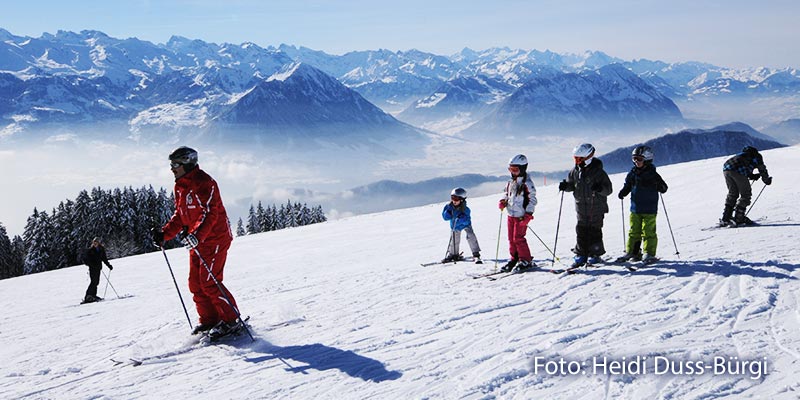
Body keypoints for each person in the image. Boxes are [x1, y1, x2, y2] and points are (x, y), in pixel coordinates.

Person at [151, 146, 242, 339]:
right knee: (195, 284)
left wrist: (197, 235)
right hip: (197, 240)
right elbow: (180, 216)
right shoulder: (180, 186)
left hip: (215, 239)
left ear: (187, 163)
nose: (172, 168)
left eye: (175, 164)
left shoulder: (204, 182)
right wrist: (164, 234)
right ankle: (210, 320)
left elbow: (210, 212)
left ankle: (231, 320)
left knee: (209, 282)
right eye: (171, 164)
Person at [558, 143, 613, 268]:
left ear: (588, 157)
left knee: (594, 230)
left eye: (580, 159)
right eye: (575, 158)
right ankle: (581, 253)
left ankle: (595, 254)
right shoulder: (574, 171)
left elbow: (608, 190)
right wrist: (565, 186)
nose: (577, 161)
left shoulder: (598, 172)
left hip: (597, 207)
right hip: (581, 207)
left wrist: (599, 188)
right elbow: (572, 185)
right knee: (581, 230)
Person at [616, 146, 668, 264]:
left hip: (649, 209)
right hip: (635, 208)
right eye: (634, 159)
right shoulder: (633, 173)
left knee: (648, 232)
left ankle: (649, 253)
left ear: (647, 159)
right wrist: (623, 192)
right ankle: (633, 252)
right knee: (634, 231)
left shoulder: (653, 174)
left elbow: (664, 188)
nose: (636, 162)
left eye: (639, 159)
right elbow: (628, 185)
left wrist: (659, 186)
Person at [498, 154, 538, 273]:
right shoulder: (511, 182)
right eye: (511, 169)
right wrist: (503, 201)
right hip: (511, 215)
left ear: (523, 169)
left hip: (521, 216)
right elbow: (506, 193)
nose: (513, 172)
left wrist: (528, 214)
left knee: (518, 238)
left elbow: (532, 199)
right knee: (511, 239)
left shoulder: (527, 184)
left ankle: (525, 260)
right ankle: (514, 258)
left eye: (515, 169)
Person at [720, 146, 772, 227]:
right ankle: (739, 218)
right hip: (738, 171)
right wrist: (766, 180)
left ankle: (726, 217)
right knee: (746, 195)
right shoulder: (757, 156)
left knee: (733, 193)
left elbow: (742, 166)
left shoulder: (741, 155)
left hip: (726, 168)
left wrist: (751, 175)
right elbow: (762, 169)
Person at [441, 187, 482, 264]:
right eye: (452, 198)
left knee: (471, 236)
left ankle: (476, 253)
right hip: (455, 226)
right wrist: (448, 214)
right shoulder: (449, 207)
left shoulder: (465, 209)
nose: (454, 201)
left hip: (466, 225)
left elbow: (466, 219)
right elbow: (445, 217)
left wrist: (461, 219)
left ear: (462, 199)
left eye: (456, 199)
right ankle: (453, 254)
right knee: (454, 239)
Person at [83, 237, 113, 303]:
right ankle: (88, 296)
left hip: (98, 268)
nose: (95, 243)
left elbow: (104, 259)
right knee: (93, 282)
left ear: (99, 243)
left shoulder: (101, 249)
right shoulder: (90, 250)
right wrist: (91, 265)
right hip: (92, 269)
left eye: (96, 242)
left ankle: (93, 295)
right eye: (94, 242)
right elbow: (85, 260)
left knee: (96, 282)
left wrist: (109, 265)